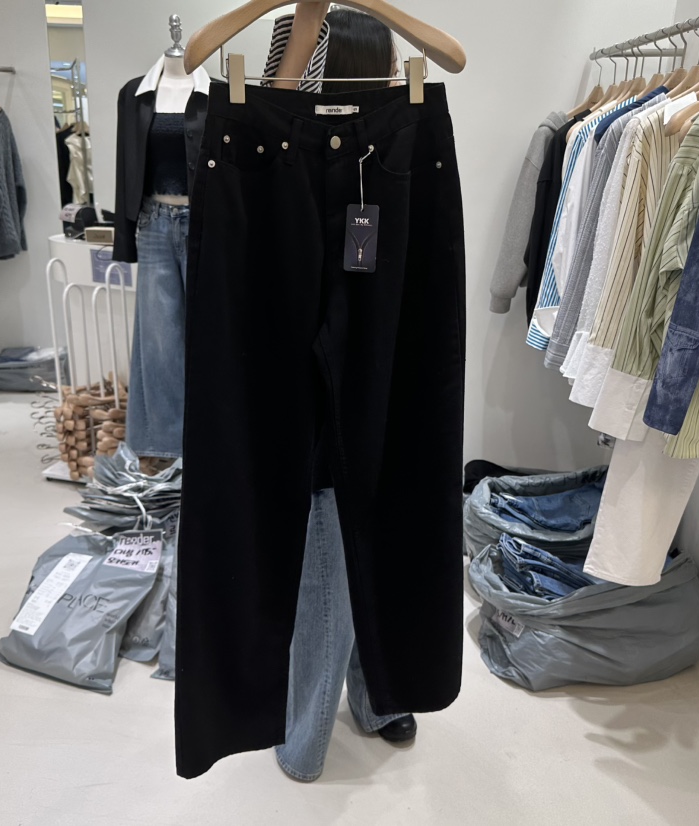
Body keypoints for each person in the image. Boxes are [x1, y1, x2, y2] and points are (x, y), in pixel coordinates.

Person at [264, 3, 416, 783]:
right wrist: (303, 30)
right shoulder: (292, 160)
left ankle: (375, 693)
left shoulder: (387, 155)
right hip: (314, 352)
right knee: (330, 534)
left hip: (372, 355)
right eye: (383, 71)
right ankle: (307, 731)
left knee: (370, 532)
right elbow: (274, 97)